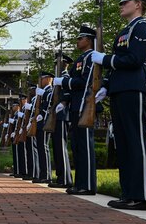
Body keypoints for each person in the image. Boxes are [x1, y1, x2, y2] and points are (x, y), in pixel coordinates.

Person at [92, 0, 146, 211]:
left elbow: (134, 59)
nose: (121, 5)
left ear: (138, 4)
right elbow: (119, 63)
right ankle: (128, 193)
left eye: (125, 2)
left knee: (135, 141)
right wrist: (106, 86)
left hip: (133, 89)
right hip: (119, 89)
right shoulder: (125, 30)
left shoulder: (142, 26)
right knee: (124, 143)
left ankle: (141, 195)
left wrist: (105, 59)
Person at [54, 26, 97, 195]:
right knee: (78, 147)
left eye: (80, 38)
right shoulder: (81, 58)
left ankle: (87, 185)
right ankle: (80, 183)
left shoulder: (92, 57)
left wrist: (64, 82)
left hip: (85, 104)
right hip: (76, 106)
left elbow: (84, 82)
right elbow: (73, 81)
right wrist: (65, 101)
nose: (77, 41)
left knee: (85, 146)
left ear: (89, 39)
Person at [49, 54, 73, 188]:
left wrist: (63, 103)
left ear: (64, 64)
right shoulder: (58, 79)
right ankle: (60, 177)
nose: (55, 65)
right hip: (56, 116)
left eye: (57, 63)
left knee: (61, 147)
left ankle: (65, 178)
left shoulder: (65, 77)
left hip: (62, 116)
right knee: (57, 147)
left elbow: (67, 93)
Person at [32, 72, 54, 184]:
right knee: (41, 148)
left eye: (41, 79)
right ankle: (42, 174)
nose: (39, 81)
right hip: (40, 122)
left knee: (44, 148)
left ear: (48, 79)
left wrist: (43, 94)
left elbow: (52, 100)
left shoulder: (49, 90)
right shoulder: (43, 91)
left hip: (46, 122)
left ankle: (46, 175)